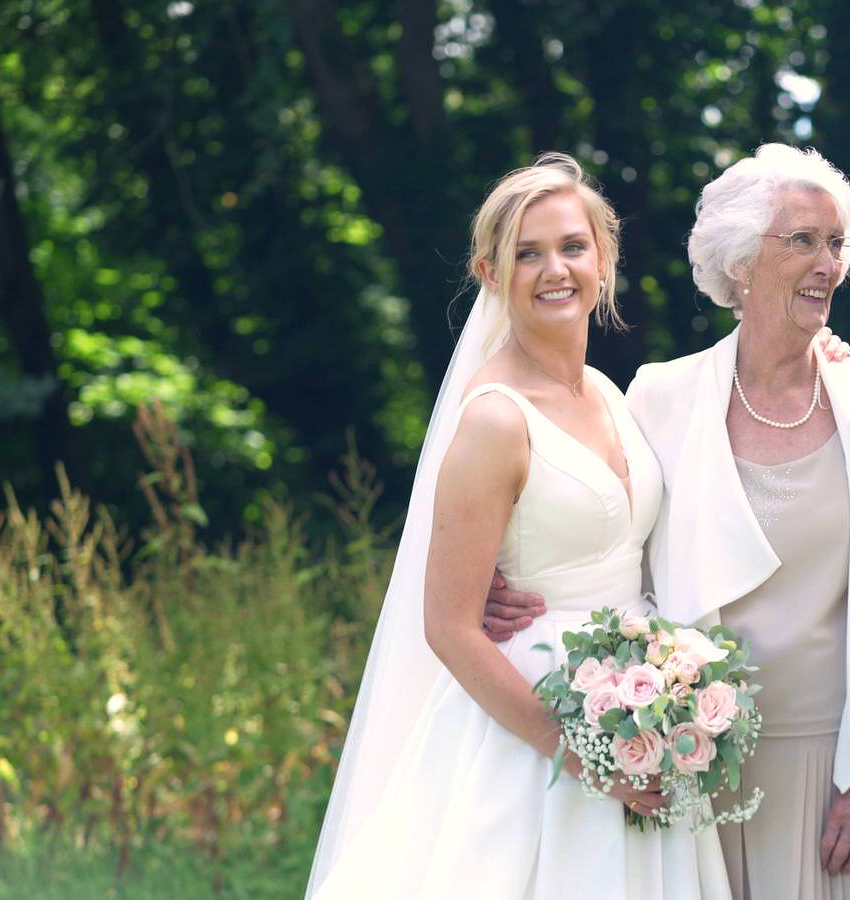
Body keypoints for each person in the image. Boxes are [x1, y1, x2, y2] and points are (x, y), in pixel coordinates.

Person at [487, 144, 850, 899]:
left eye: (836, 243)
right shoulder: (659, 396)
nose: (828, 263)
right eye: (801, 241)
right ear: (739, 265)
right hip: (688, 764)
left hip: (846, 777)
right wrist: (506, 580)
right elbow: (597, 528)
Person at [305, 154, 730, 899]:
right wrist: (583, 756)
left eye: (572, 246)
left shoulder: (605, 391)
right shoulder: (496, 418)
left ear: (604, 258)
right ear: (491, 273)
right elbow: (448, 625)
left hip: (640, 703)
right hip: (537, 731)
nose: (554, 269)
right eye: (526, 254)